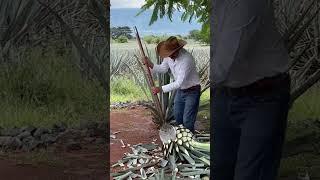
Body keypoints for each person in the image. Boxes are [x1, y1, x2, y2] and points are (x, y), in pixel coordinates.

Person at [211, 0, 291, 180]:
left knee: (251, 174)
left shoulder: (245, 3)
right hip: (224, 93)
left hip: (263, 96)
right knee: (219, 168)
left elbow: (224, 62)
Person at [143, 36, 201, 132]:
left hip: (192, 91)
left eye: (172, 53)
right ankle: (182, 137)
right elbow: (163, 68)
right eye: (169, 54)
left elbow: (178, 82)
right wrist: (150, 64)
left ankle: (190, 140)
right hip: (180, 91)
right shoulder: (169, 56)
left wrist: (160, 89)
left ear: (178, 49)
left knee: (188, 120)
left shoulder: (187, 60)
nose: (170, 56)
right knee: (178, 116)